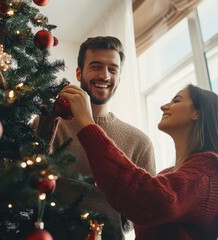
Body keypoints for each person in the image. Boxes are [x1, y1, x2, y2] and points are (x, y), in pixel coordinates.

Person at [58, 83, 218, 240]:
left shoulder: (211, 168)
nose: (164, 106)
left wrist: (87, 123)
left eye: (176, 100)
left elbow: (150, 198)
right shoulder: (167, 174)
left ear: (197, 113)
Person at [34, 36, 155, 239]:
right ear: (79, 72)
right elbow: (26, 181)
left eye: (113, 69)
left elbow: (144, 212)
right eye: (96, 66)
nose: (105, 76)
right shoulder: (48, 122)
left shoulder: (139, 142)